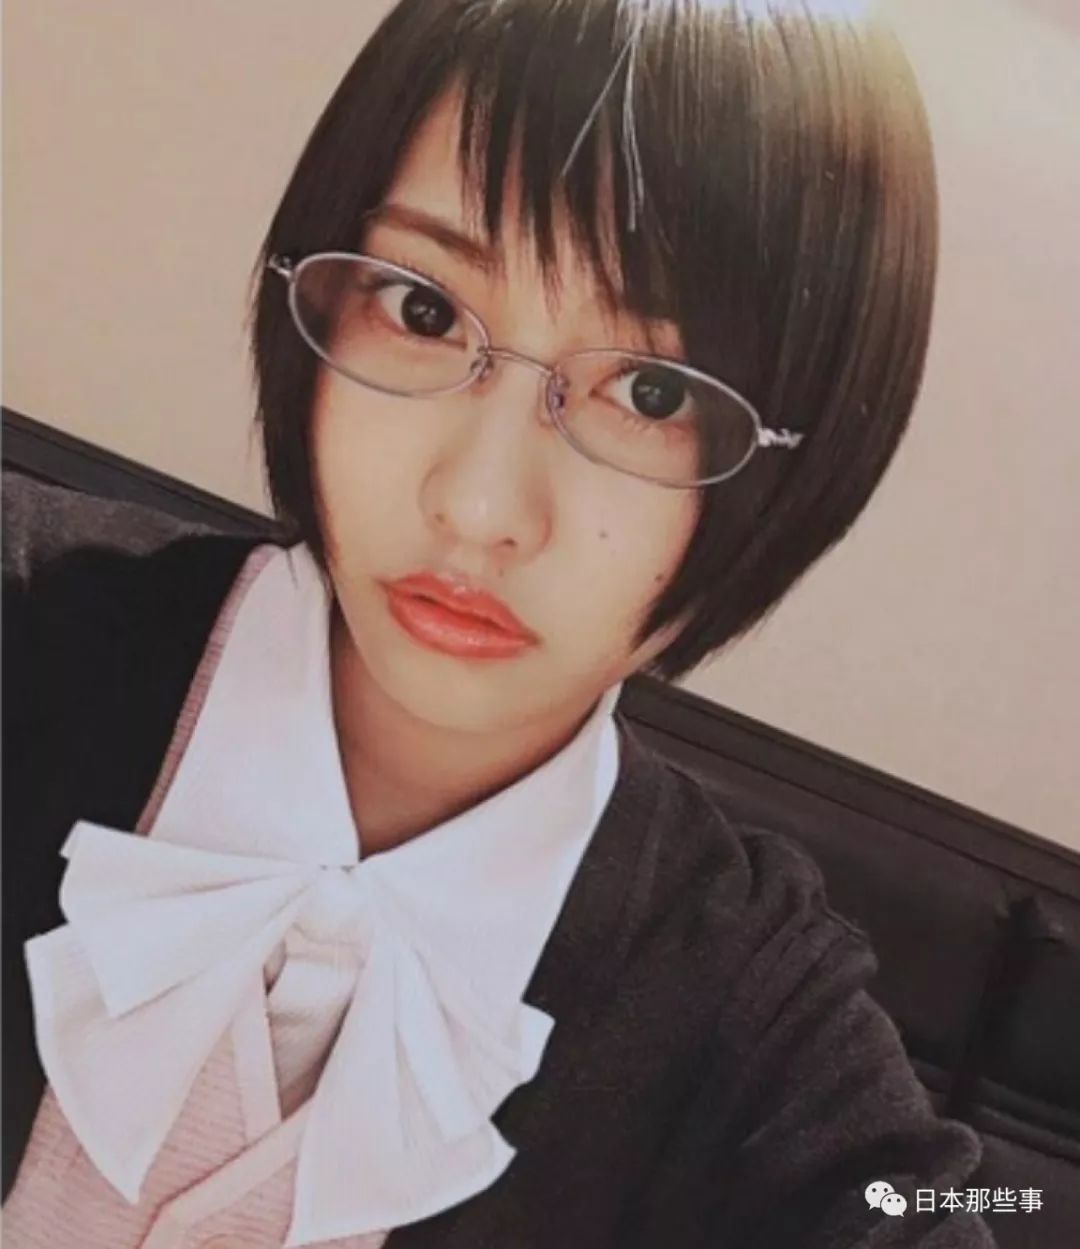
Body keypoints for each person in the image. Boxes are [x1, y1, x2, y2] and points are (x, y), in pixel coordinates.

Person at [2, 0, 998, 1245]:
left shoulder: (743, 1006)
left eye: (652, 392)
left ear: (805, 468)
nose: (478, 507)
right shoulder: (26, 621)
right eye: (424, 311)